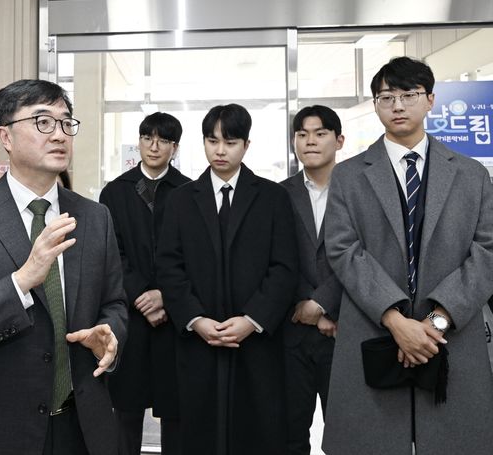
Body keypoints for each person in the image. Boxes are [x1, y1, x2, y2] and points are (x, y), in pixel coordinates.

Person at [0, 79, 128, 455]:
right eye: (43, 122)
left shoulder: (95, 217)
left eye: (66, 122)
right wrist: (21, 281)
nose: (59, 134)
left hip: (81, 426)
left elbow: (115, 303)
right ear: (6, 137)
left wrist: (110, 335)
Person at [323, 56, 493, 455]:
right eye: (386, 97)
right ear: (375, 105)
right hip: (374, 328)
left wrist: (434, 322)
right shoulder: (348, 175)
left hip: (450, 334)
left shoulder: (471, 174)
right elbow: (343, 249)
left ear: (430, 99)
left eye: (409, 95)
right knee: (373, 443)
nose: (397, 105)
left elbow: (487, 251)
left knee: (455, 442)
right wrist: (397, 321)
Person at [156, 103, 298, 455]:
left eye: (230, 142)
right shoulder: (180, 199)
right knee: (198, 434)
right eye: (212, 141)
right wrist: (195, 319)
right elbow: (169, 266)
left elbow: (284, 267)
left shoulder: (273, 197)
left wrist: (253, 320)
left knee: (257, 433)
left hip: (256, 343)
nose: (220, 151)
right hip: (197, 339)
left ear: (246, 145)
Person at [100, 112, 191, 455]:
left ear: (174, 148)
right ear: (138, 142)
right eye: (147, 138)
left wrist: (165, 295)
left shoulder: (189, 190)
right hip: (130, 316)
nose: (154, 147)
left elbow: (195, 255)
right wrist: (141, 294)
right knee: (126, 409)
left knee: (176, 411)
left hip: (175, 317)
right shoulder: (115, 191)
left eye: (164, 140)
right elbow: (111, 253)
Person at [280, 105, 344, 455]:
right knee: (290, 432)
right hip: (292, 331)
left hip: (344, 329)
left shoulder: (358, 189)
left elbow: (367, 252)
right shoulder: (278, 194)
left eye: (320, 133)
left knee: (346, 433)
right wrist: (307, 306)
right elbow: (275, 259)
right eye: (302, 134)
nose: (310, 141)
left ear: (339, 140)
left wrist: (323, 305)